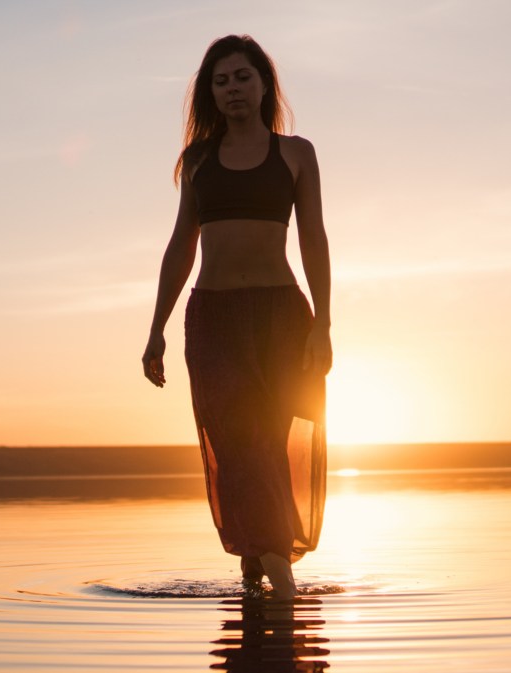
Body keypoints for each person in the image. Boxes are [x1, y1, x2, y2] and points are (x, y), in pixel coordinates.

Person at [141, 34, 332, 600]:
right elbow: (181, 246)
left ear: (263, 83)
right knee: (237, 443)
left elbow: (315, 239)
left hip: (282, 318)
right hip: (214, 320)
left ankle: (260, 572)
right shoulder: (198, 161)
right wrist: (155, 329)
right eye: (221, 81)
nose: (233, 90)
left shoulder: (296, 153)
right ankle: (280, 581)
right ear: (210, 93)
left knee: (272, 443)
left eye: (242, 77)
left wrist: (323, 324)